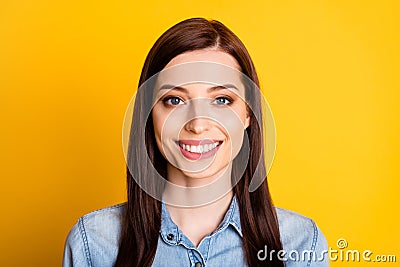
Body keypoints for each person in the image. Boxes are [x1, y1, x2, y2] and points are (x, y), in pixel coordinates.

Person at [63, 18, 328, 267]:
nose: (198, 124)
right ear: (149, 113)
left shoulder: (302, 244)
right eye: (174, 100)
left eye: (222, 100)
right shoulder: (94, 243)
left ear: (248, 113)